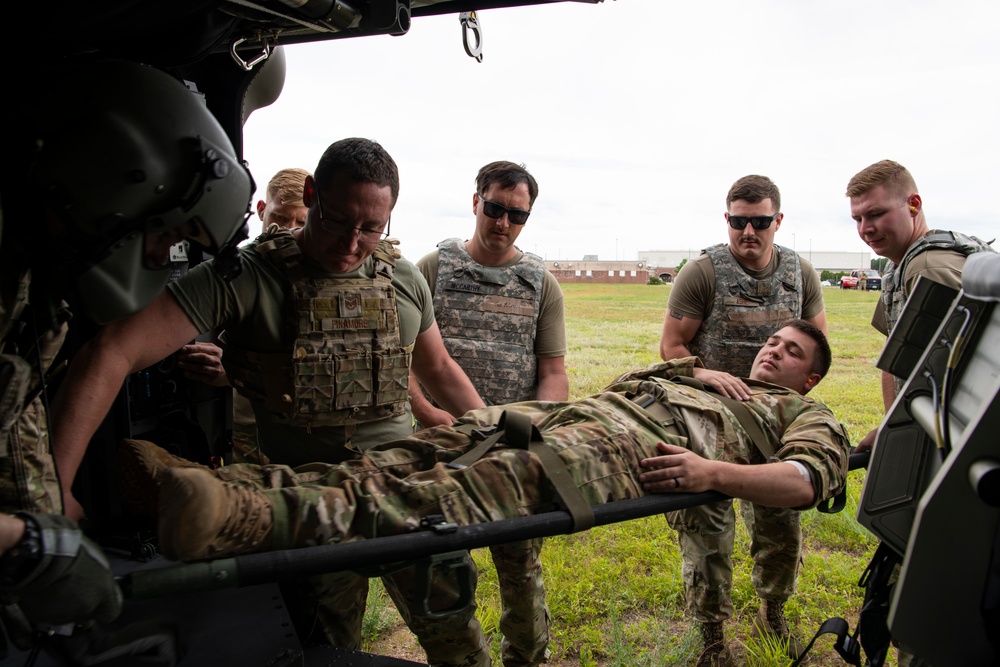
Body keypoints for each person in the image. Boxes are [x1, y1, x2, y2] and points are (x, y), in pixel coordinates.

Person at [50, 138, 491, 666]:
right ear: (311, 195)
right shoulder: (246, 277)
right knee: (324, 652)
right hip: (307, 509)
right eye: (337, 220)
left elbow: (438, 368)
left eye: (372, 228)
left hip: (404, 497)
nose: (354, 243)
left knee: (462, 649)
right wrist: (54, 486)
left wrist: (497, 429)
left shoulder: (402, 275)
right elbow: (112, 351)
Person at [119, 322, 849, 605]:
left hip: (612, 455)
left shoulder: (802, 414)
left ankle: (243, 517)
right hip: (559, 420)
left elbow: (806, 481)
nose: (771, 352)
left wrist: (712, 474)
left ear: (810, 378)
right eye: (773, 342)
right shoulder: (709, 373)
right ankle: (216, 483)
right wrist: (696, 374)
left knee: (444, 496)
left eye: (790, 353)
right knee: (402, 454)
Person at [1, 58, 252, 643]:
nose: (162, 257)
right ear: (113, 178)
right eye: (165, 234)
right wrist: (28, 545)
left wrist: (46, 507)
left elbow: (14, 419)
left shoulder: (35, 286)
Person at [657, 175, 827, 665]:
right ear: (726, 219)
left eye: (758, 222)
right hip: (710, 419)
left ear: (777, 220)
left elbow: (817, 345)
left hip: (772, 419)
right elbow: (671, 346)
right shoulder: (703, 271)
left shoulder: (800, 273)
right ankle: (712, 637)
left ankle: (772, 612)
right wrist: (707, 375)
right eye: (737, 221)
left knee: (781, 520)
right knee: (707, 522)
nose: (747, 232)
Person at [409, 161, 567, 667]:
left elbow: (552, 371)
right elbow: (405, 361)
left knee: (520, 566)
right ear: (476, 201)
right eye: (495, 209)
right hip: (443, 442)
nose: (502, 223)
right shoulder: (432, 268)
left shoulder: (541, 283)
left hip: (511, 445)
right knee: (442, 563)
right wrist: (430, 416)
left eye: (516, 216)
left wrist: (542, 431)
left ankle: (528, 657)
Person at [847, 159, 995, 451]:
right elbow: (894, 358)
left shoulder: (926, 267)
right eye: (858, 219)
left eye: (876, 214)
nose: (866, 229)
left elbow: (961, 374)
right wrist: (895, 425)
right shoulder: (900, 265)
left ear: (913, 204)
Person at [176, 167, 311, 464]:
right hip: (240, 428)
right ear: (262, 210)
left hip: (293, 431)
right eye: (279, 217)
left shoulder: (315, 278)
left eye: (300, 222)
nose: (287, 230)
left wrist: (233, 373)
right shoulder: (233, 271)